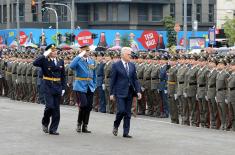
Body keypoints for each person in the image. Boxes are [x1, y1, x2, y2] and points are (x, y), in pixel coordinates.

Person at [33, 44, 66, 135]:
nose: (55, 52)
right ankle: (45, 122)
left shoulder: (60, 61)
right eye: (52, 50)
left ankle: (53, 129)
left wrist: (63, 87)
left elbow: (63, 75)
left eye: (55, 50)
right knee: (50, 106)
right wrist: (44, 54)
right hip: (48, 86)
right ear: (49, 52)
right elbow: (35, 63)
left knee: (56, 109)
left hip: (58, 86)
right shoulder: (44, 60)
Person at [110, 47, 142, 138]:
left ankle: (126, 132)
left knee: (128, 113)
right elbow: (113, 80)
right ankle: (116, 125)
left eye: (130, 54)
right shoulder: (116, 65)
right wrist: (111, 93)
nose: (130, 56)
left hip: (130, 92)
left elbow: (135, 79)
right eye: (129, 54)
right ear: (123, 55)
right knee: (121, 110)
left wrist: (138, 91)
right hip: (119, 92)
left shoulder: (132, 65)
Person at [69, 45, 96, 133]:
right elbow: (71, 66)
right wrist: (79, 56)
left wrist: (94, 84)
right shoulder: (78, 60)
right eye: (85, 51)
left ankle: (85, 125)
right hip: (80, 86)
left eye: (88, 51)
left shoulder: (92, 61)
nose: (87, 52)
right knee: (83, 104)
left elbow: (94, 73)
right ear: (81, 51)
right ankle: (79, 124)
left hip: (90, 86)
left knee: (88, 107)